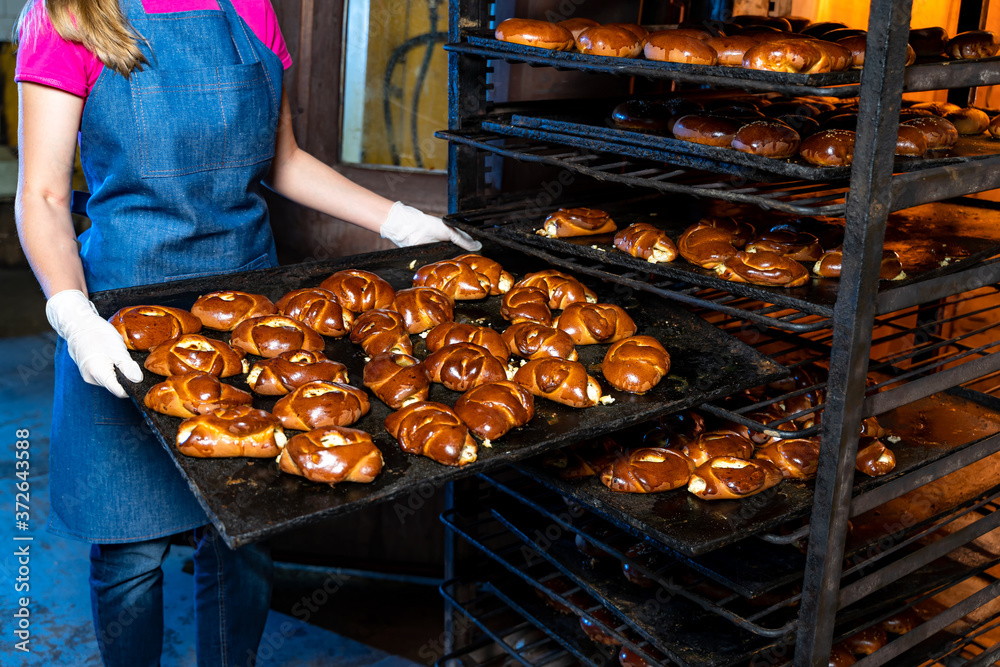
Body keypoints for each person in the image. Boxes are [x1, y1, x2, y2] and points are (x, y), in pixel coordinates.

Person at [14, 0, 479, 665]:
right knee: (131, 549)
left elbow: (283, 162)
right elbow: (43, 196)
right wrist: (73, 314)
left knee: (244, 536)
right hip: (120, 316)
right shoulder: (67, 14)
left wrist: (400, 220)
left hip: (249, 316)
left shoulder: (249, 7)